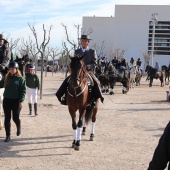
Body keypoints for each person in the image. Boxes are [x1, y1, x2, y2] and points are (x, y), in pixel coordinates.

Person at [56, 34, 104, 105]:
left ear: (88, 42)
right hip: (78, 71)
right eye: (83, 41)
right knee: (67, 80)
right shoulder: (77, 51)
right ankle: (63, 97)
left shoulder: (92, 51)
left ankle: (96, 98)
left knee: (95, 82)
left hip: (88, 72)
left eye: (86, 41)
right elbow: (74, 61)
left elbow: (95, 63)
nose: (84, 42)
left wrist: (88, 66)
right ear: (81, 42)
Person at [0, 61, 26, 142]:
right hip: (7, 100)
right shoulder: (6, 78)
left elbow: (23, 91)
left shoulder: (20, 79)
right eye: (10, 69)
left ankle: (18, 126)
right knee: (7, 118)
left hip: (16, 101)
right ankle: (8, 135)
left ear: (16, 69)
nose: (11, 70)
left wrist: (21, 101)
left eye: (13, 69)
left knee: (15, 118)